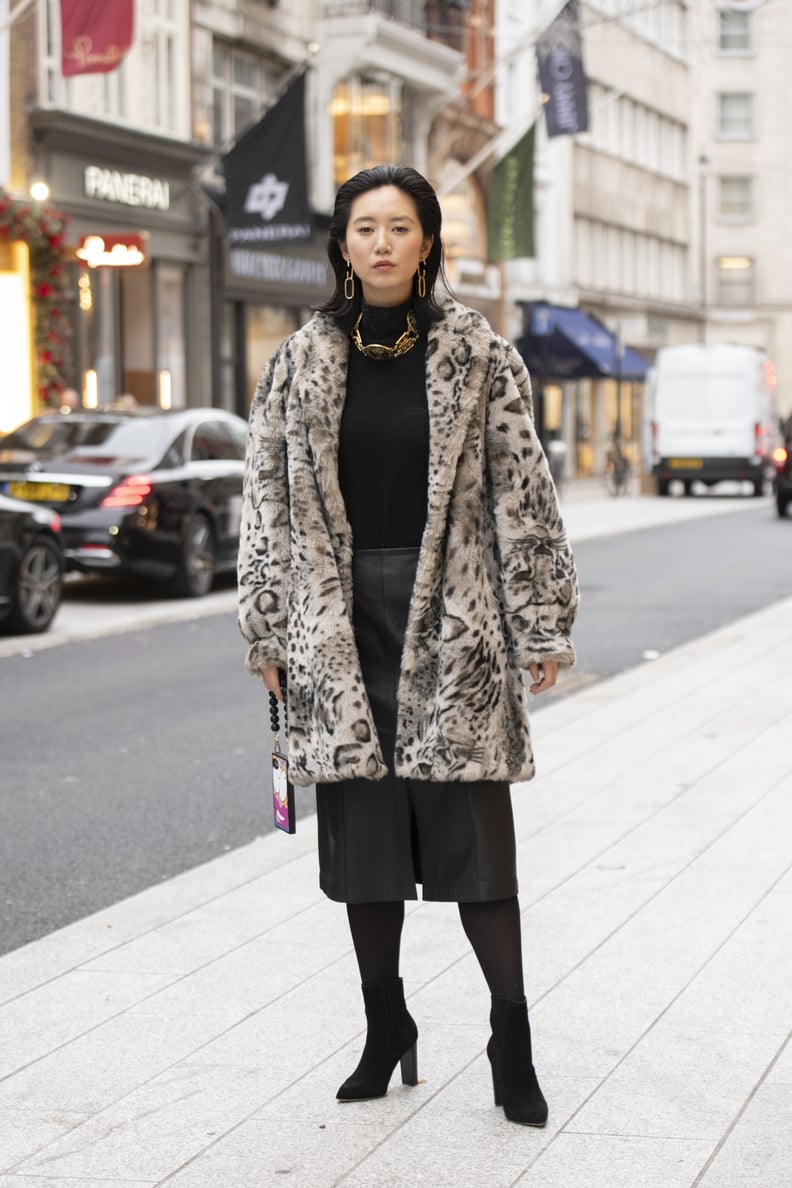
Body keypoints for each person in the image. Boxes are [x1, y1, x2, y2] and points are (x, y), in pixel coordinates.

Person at [238, 165, 579, 1127]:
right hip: (337, 623)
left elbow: (524, 494)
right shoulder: (299, 360)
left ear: (428, 240)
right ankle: (386, 1026)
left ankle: (510, 1037)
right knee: (366, 844)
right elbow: (265, 503)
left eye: (400, 226)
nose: (382, 243)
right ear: (341, 244)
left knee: (475, 841)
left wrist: (539, 616)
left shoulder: (481, 355)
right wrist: (267, 621)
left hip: (456, 618)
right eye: (363, 227)